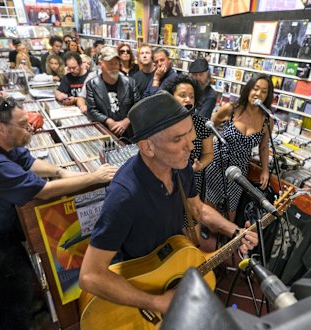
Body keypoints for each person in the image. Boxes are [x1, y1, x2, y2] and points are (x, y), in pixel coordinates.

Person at [0, 96, 117, 329]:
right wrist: (93, 177)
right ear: (0, 128)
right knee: (14, 283)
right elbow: (42, 191)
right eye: (24, 125)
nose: (30, 129)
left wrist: (59, 171)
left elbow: (25, 160)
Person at [79, 92, 257, 315]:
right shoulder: (125, 195)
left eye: (189, 134)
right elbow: (90, 275)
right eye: (177, 139)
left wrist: (235, 231)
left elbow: (198, 209)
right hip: (142, 288)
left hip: (173, 264)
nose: (190, 146)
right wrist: (154, 302)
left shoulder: (181, 166)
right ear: (147, 147)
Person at [204, 74, 273, 221]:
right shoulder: (231, 109)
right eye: (256, 89)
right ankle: (206, 236)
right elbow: (210, 127)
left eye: (264, 91)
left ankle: (226, 240)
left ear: (268, 95)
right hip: (218, 163)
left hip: (238, 170)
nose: (258, 94)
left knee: (231, 210)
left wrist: (265, 170)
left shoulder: (267, 120)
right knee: (211, 203)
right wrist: (207, 153)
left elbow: (264, 147)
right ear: (249, 89)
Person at [162, 75, 213, 196]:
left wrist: (200, 166)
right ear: (171, 97)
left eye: (191, 96)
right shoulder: (163, 123)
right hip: (168, 179)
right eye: (182, 95)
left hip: (194, 179)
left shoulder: (202, 123)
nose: (188, 100)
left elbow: (208, 153)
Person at [85, 46, 141, 139]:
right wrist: (108, 121)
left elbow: (138, 106)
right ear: (100, 64)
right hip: (104, 131)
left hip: (129, 131)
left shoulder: (130, 82)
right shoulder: (92, 84)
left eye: (116, 63)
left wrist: (126, 121)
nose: (114, 67)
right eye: (110, 64)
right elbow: (91, 111)